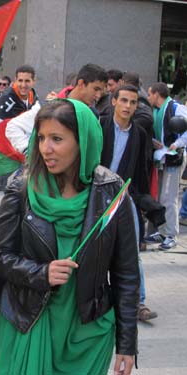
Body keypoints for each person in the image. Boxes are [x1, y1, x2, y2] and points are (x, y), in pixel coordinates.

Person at [0, 99, 139, 375]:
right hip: (29, 323)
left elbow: (126, 273)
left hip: (87, 336)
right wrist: (40, 272)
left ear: (83, 140)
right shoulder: (22, 187)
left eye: (57, 139)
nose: (46, 148)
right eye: (42, 137)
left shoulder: (111, 191)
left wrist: (127, 344)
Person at [100, 84, 159, 322]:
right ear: (114, 101)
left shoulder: (139, 134)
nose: (128, 106)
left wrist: (141, 200)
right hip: (96, 196)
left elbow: (142, 169)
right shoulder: (100, 125)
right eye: (123, 100)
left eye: (133, 102)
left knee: (132, 252)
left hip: (125, 198)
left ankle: (138, 303)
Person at [144, 82, 187, 250]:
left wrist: (177, 143)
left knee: (169, 197)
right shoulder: (156, 111)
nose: (148, 97)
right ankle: (163, 231)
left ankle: (171, 234)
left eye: (149, 94)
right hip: (162, 157)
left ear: (157, 94)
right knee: (161, 196)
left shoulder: (176, 108)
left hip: (173, 158)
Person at [0, 65, 38, 191]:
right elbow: (0, 134)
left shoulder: (32, 96)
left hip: (20, 152)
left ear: (34, 81)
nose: (23, 85)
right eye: (20, 81)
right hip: (5, 153)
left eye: (27, 81)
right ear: (15, 80)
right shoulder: (7, 100)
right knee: (13, 194)